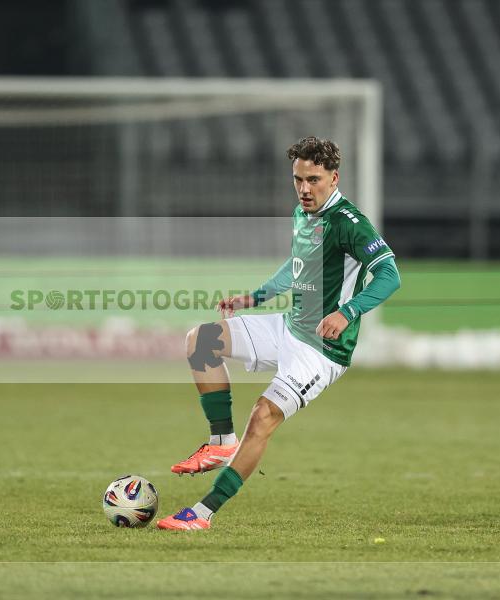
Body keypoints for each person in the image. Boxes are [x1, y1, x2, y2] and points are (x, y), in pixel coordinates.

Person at [156, 136, 401, 530]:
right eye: (298, 179)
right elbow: (296, 265)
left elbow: (391, 275)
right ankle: (221, 442)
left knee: (263, 416)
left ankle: (200, 515)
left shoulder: (350, 224)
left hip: (321, 350)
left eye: (314, 180)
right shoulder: (302, 214)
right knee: (200, 341)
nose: (305, 189)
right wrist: (256, 297)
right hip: (288, 326)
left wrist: (348, 311)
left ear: (334, 178)